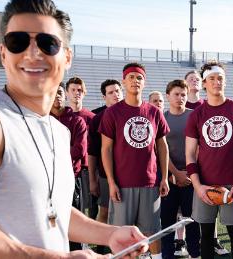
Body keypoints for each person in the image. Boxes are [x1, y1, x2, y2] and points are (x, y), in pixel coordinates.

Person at [0, 0, 147, 258]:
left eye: (47, 43)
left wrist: (109, 234)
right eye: (18, 42)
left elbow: (52, 211)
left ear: (66, 56)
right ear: (3, 54)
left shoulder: (59, 131)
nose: (33, 53)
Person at [100, 62, 170, 259]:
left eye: (139, 77)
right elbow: (106, 149)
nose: (135, 81)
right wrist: (112, 182)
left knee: (152, 232)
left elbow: (162, 146)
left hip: (150, 183)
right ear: (124, 81)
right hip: (122, 184)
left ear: (144, 82)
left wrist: (164, 177)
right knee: (122, 235)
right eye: (131, 77)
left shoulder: (154, 112)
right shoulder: (112, 113)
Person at [185, 61, 233, 258]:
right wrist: (197, 186)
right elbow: (190, 154)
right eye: (212, 79)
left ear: (225, 81)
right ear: (204, 83)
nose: (216, 82)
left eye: (220, 78)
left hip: (231, 182)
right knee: (205, 234)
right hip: (204, 184)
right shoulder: (196, 114)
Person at [183, 69, 229, 256]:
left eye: (196, 77)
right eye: (190, 79)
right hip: (188, 163)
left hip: (206, 165)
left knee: (212, 202)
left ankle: (213, 241)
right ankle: (185, 242)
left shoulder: (208, 103)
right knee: (188, 210)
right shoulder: (181, 104)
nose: (194, 80)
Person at [160, 79, 201, 259]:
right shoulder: (162, 117)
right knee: (167, 222)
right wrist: (175, 173)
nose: (180, 98)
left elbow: (200, 146)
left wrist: (190, 173)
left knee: (192, 220)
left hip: (193, 178)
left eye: (183, 94)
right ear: (168, 96)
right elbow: (159, 149)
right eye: (176, 94)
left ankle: (194, 254)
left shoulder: (195, 115)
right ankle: (167, 255)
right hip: (169, 178)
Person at [88, 79, 123, 254]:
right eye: (111, 92)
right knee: (104, 212)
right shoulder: (97, 119)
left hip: (129, 175)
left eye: (118, 90)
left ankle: (123, 248)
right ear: (104, 97)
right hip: (105, 175)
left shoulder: (131, 114)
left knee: (126, 215)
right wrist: (93, 180)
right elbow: (92, 153)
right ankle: (100, 249)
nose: (116, 94)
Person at [50, 83, 88, 251]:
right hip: (47, 180)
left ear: (65, 95)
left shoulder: (77, 120)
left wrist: (54, 158)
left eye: (59, 92)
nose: (56, 95)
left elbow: (79, 149)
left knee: (72, 221)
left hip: (70, 177)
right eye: (52, 92)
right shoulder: (40, 120)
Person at [66, 76, 97, 219]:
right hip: (68, 167)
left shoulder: (92, 117)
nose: (76, 93)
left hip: (87, 169)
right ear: (67, 93)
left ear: (84, 93)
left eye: (79, 90)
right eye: (73, 90)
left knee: (89, 208)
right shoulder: (61, 117)